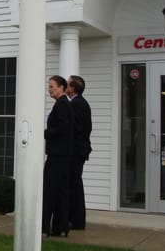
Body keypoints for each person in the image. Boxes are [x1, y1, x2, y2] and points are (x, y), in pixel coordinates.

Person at [42, 75, 74, 237]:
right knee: (61, 191)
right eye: (49, 86)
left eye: (52, 86)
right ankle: (60, 227)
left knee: (49, 190)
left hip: (57, 154)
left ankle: (44, 226)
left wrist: (45, 133)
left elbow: (63, 128)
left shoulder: (62, 105)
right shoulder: (63, 104)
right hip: (62, 154)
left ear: (62, 88)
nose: (49, 89)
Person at [67, 75, 92, 230]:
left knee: (74, 185)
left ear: (73, 88)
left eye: (67, 84)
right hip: (79, 150)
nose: (65, 86)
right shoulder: (80, 103)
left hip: (76, 151)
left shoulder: (77, 104)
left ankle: (76, 220)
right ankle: (75, 219)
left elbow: (75, 129)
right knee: (74, 184)